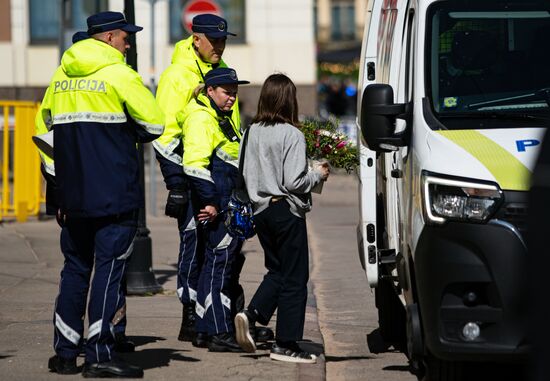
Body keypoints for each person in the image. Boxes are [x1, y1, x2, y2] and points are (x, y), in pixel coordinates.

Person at [35, 11, 164, 378]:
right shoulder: (120, 74)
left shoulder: (59, 78)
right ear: (108, 38)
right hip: (113, 194)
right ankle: (99, 354)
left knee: (75, 270)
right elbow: (155, 123)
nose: (129, 41)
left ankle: (64, 354)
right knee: (108, 272)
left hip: (73, 195)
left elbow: (43, 136)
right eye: (126, 35)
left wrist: (56, 191)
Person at [154, 13, 271, 345]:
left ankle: (220, 319)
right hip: (194, 180)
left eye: (223, 40)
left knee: (220, 253)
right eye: (214, 40)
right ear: (196, 39)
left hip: (218, 182)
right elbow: (165, 137)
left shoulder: (221, 75)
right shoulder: (177, 76)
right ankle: (193, 318)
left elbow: (227, 133)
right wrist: (177, 185)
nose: (220, 45)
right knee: (196, 251)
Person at [234, 74, 330, 363]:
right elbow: (294, 181)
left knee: (277, 269)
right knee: (295, 278)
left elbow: (244, 171)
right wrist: (318, 175)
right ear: (290, 100)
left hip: (261, 210)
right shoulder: (292, 134)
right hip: (285, 210)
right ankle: (285, 343)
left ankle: (250, 315)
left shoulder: (252, 131)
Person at [178, 67, 249, 352]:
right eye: (226, 92)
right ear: (209, 91)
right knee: (219, 266)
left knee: (215, 266)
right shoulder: (201, 118)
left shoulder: (219, 117)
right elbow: (194, 165)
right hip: (218, 204)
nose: (231, 98)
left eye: (234, 93)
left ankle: (209, 328)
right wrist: (210, 202)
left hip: (225, 201)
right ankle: (219, 331)